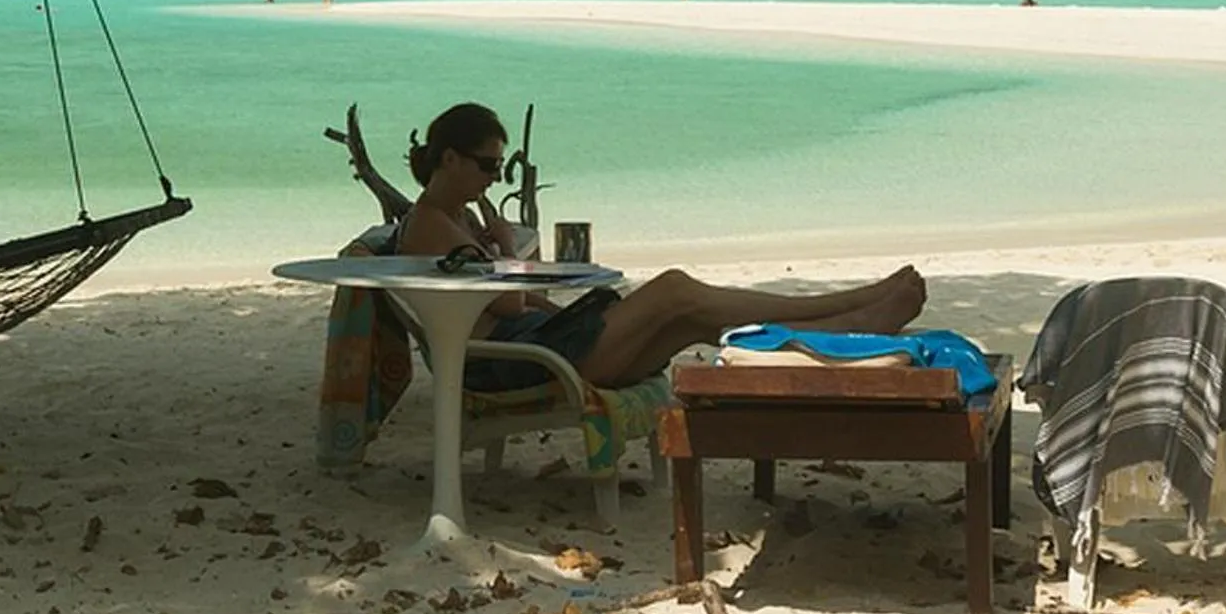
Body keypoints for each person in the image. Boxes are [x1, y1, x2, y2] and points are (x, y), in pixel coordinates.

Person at [396, 102, 927, 389]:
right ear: (449, 159)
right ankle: (848, 302)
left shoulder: (459, 219)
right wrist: (509, 249)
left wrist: (550, 301)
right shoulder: (431, 225)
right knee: (674, 289)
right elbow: (507, 306)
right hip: (512, 365)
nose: (494, 177)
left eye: (498, 167)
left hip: (541, 345)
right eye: (487, 166)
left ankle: (840, 332)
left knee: (693, 320)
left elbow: (510, 301)